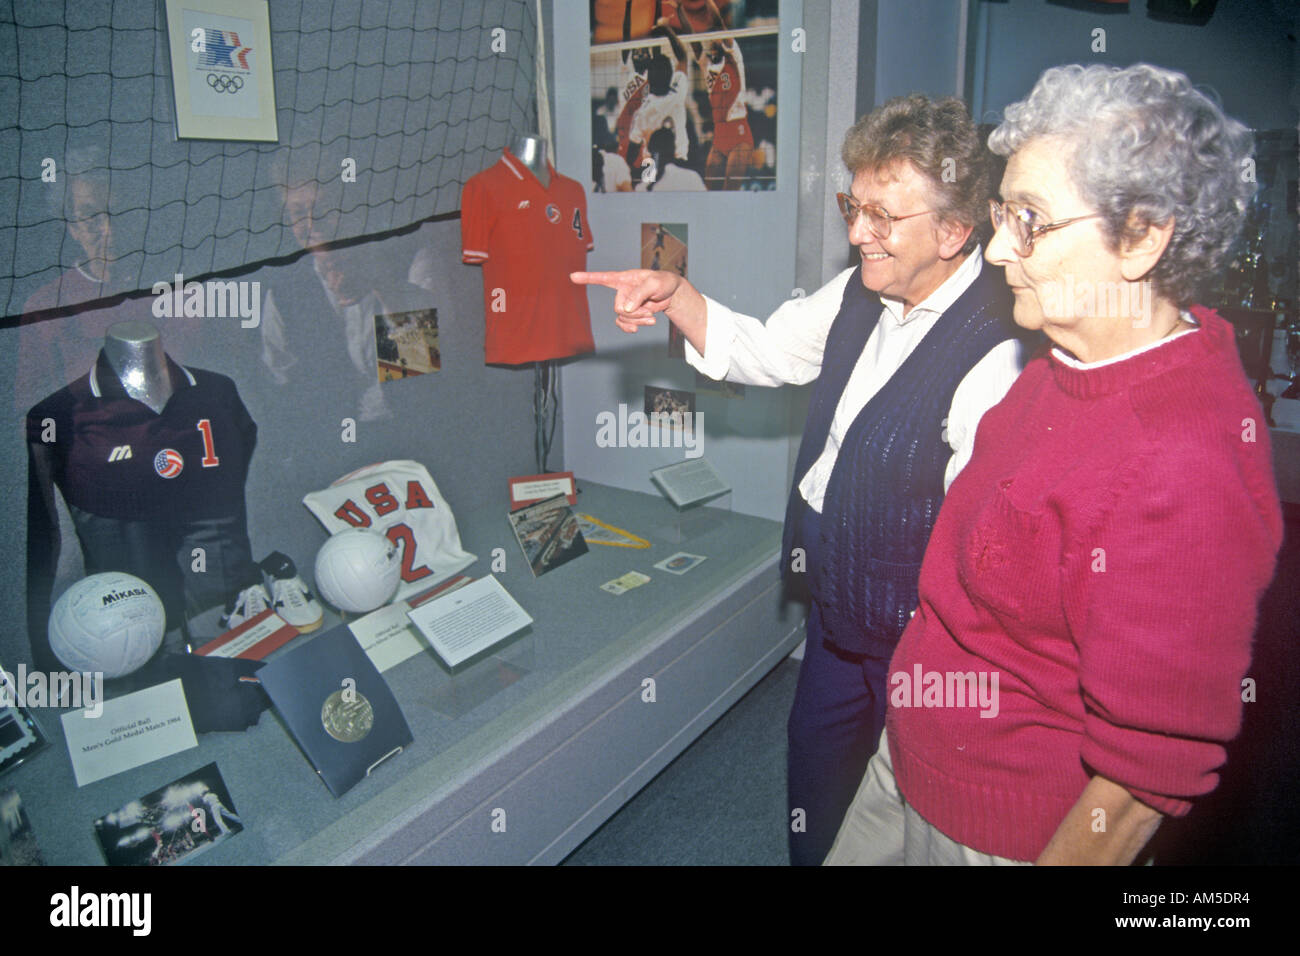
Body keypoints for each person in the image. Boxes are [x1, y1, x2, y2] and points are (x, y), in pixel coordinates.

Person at [825, 64, 1284, 866]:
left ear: (1143, 237)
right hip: (913, 760)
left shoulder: (1183, 456)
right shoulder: (1058, 364)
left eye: (1031, 220)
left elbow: (1144, 776)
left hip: (998, 828)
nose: (1000, 247)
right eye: (1005, 212)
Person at [574, 94, 1030, 865]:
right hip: (836, 609)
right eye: (856, 207)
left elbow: (982, 553)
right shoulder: (863, 286)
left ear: (956, 232)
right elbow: (769, 352)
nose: (856, 233)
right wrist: (677, 296)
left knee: (916, 806)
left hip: (921, 637)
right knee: (815, 770)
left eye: (883, 218)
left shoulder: (999, 350)